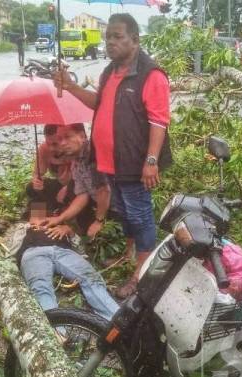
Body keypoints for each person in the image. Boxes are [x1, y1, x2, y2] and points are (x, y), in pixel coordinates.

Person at [54, 13, 171, 298]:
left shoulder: (150, 74)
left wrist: (151, 161)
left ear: (135, 39)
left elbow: (159, 121)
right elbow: (98, 103)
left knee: (140, 215)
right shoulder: (110, 71)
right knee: (125, 213)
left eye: (118, 37)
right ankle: (129, 254)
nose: (111, 43)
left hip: (134, 163)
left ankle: (141, 273)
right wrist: (70, 86)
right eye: (108, 37)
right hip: (108, 161)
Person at [7, 188, 119, 321]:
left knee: (91, 278)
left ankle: (118, 321)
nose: (41, 217)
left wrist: (69, 231)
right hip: (33, 253)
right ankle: (56, 333)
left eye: (44, 214)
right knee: (40, 287)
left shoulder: (60, 225)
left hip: (63, 252)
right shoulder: (21, 227)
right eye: (36, 215)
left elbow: (82, 251)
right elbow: (9, 250)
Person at [38, 124, 111, 240]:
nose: (62, 143)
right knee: (34, 189)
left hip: (114, 206)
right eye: (60, 139)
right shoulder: (76, 160)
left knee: (95, 238)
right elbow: (83, 195)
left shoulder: (93, 155)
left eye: (67, 137)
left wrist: (99, 221)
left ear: (82, 136)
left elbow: (104, 190)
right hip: (95, 201)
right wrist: (60, 218)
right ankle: (45, 217)